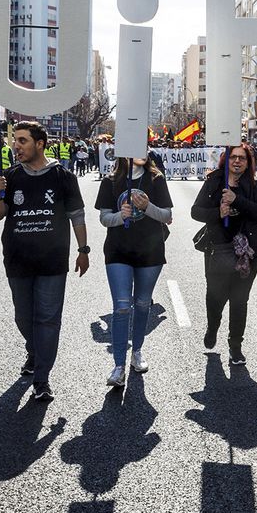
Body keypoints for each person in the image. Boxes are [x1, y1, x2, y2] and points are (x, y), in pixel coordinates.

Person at [0, 122, 90, 401]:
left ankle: (42, 378)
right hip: (18, 259)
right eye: (15, 141)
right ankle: (34, 351)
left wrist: (83, 250)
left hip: (52, 261)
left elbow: (77, 216)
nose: (16, 146)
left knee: (47, 319)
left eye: (22, 141)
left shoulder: (63, 177)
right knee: (23, 317)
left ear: (40, 144)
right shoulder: (9, 177)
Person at [96, 153, 173, 387]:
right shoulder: (110, 181)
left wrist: (147, 207)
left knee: (142, 303)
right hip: (118, 251)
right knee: (121, 307)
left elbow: (167, 216)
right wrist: (121, 216)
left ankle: (137, 351)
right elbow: (104, 218)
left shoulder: (156, 179)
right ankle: (118, 366)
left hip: (150, 252)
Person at [192, 143, 257, 365]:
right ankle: (212, 326)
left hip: (248, 251)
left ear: (248, 162)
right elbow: (196, 212)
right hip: (218, 248)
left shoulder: (255, 184)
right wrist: (218, 212)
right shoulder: (214, 181)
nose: (237, 161)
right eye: (233, 157)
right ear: (226, 160)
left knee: (240, 299)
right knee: (215, 296)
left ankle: (236, 346)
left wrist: (237, 200)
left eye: (242, 158)